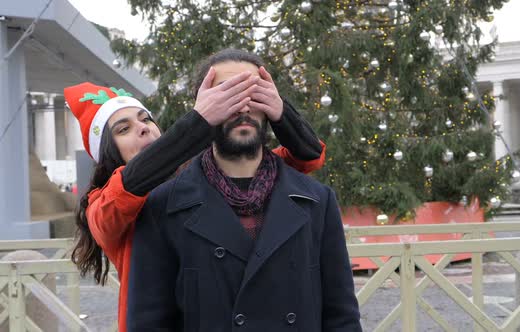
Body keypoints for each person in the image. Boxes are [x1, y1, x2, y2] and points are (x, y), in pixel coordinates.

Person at [66, 76, 326, 331]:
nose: (143, 127)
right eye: (123, 129)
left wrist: (280, 111)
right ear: (107, 152)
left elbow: (305, 157)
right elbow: (128, 186)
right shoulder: (104, 205)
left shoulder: (202, 175)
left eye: (146, 119)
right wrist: (199, 121)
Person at [127, 49, 361, 331]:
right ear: (204, 109)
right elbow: (149, 323)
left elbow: (342, 317)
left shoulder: (317, 201)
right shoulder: (161, 207)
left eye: (253, 93)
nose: (243, 107)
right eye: (226, 95)